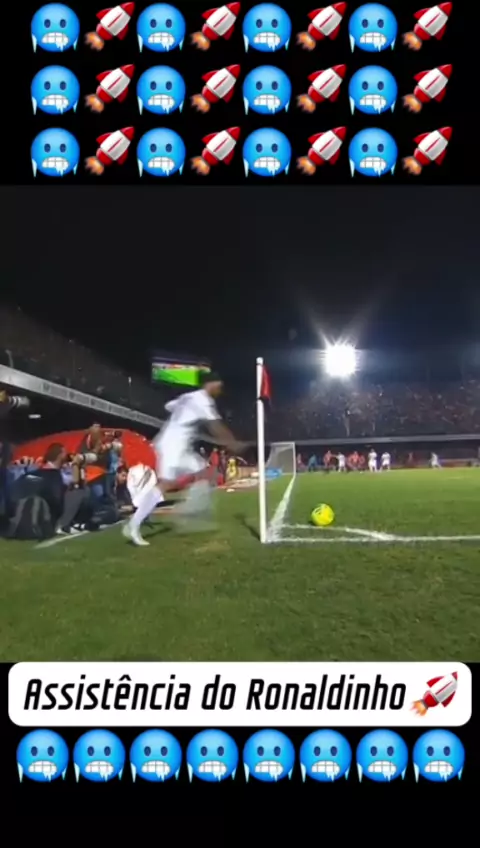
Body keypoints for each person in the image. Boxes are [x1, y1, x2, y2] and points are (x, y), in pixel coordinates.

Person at [122, 371, 245, 546]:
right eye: (219, 387)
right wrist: (233, 443)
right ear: (210, 384)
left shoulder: (188, 397)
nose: (220, 391)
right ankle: (134, 525)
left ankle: (190, 514)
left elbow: (169, 406)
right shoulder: (203, 400)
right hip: (173, 446)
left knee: (204, 472)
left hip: (179, 445)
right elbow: (216, 427)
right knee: (165, 485)